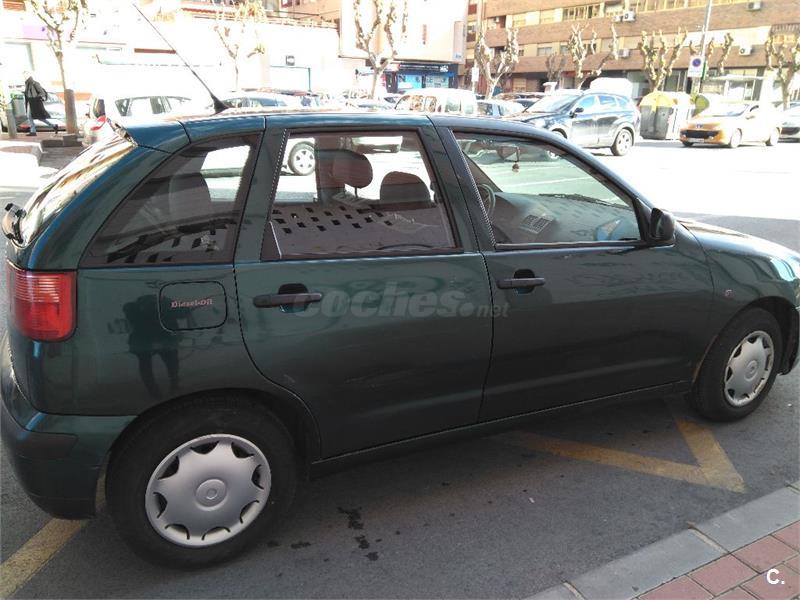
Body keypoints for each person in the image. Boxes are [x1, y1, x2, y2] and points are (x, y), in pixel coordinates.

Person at [23, 71, 59, 136]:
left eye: (25, 75)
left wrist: (36, 97)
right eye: (24, 75)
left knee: (36, 117)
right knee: (35, 117)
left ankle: (33, 131)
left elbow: (42, 93)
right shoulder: (27, 84)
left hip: (35, 102)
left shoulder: (35, 83)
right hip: (30, 102)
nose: (24, 76)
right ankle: (53, 126)